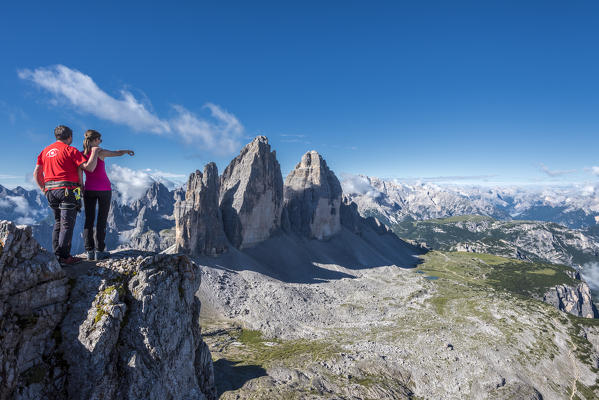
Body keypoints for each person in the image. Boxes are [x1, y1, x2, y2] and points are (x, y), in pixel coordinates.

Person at [34, 125, 100, 265]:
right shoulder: (71, 150)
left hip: (51, 191)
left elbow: (37, 173)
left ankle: (57, 255)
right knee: (67, 225)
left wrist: (43, 188)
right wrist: (94, 152)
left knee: (58, 222)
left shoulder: (45, 151)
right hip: (67, 190)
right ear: (69, 137)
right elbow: (89, 167)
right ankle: (64, 257)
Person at [81, 129, 134, 261]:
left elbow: (79, 173)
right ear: (95, 140)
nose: (101, 142)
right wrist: (127, 151)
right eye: (100, 139)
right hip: (104, 189)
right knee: (102, 220)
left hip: (88, 189)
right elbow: (117, 153)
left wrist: (82, 187)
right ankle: (99, 251)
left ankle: (89, 251)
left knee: (89, 219)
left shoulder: (80, 154)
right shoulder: (100, 152)